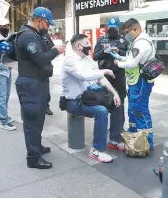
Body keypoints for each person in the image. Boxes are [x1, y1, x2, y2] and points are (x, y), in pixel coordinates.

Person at [15, 7, 65, 169]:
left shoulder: (36, 35)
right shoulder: (28, 36)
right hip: (30, 84)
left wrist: (47, 39)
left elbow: (45, 48)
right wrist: (56, 50)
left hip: (38, 82)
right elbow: (41, 59)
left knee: (39, 118)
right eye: (47, 24)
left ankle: (37, 146)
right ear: (39, 21)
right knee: (32, 121)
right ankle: (33, 158)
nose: (48, 27)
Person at [62, 34, 123, 163]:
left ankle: (114, 139)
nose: (90, 45)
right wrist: (105, 70)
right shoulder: (69, 60)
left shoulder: (87, 59)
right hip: (74, 101)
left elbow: (100, 77)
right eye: (87, 43)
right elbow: (84, 76)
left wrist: (114, 93)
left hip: (90, 97)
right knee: (101, 111)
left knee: (117, 103)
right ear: (79, 46)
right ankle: (97, 151)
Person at [114, 18, 155, 150]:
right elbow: (130, 57)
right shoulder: (137, 41)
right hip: (135, 80)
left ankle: (147, 142)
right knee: (133, 109)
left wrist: (118, 63)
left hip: (141, 81)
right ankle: (134, 136)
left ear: (136, 29)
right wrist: (119, 56)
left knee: (140, 110)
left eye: (127, 32)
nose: (126, 35)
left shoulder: (141, 42)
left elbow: (131, 63)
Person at [93, 17, 128, 127]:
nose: (112, 30)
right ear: (107, 28)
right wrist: (104, 51)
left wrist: (118, 50)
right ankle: (103, 126)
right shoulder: (101, 40)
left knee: (120, 101)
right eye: (110, 28)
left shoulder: (124, 40)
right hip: (105, 76)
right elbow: (94, 56)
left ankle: (118, 127)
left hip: (119, 76)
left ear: (119, 29)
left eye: (115, 28)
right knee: (104, 101)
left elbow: (129, 55)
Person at [42, 31, 55, 116]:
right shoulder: (31, 35)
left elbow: (52, 46)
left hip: (45, 67)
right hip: (35, 67)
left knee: (46, 89)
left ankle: (46, 107)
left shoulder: (45, 34)